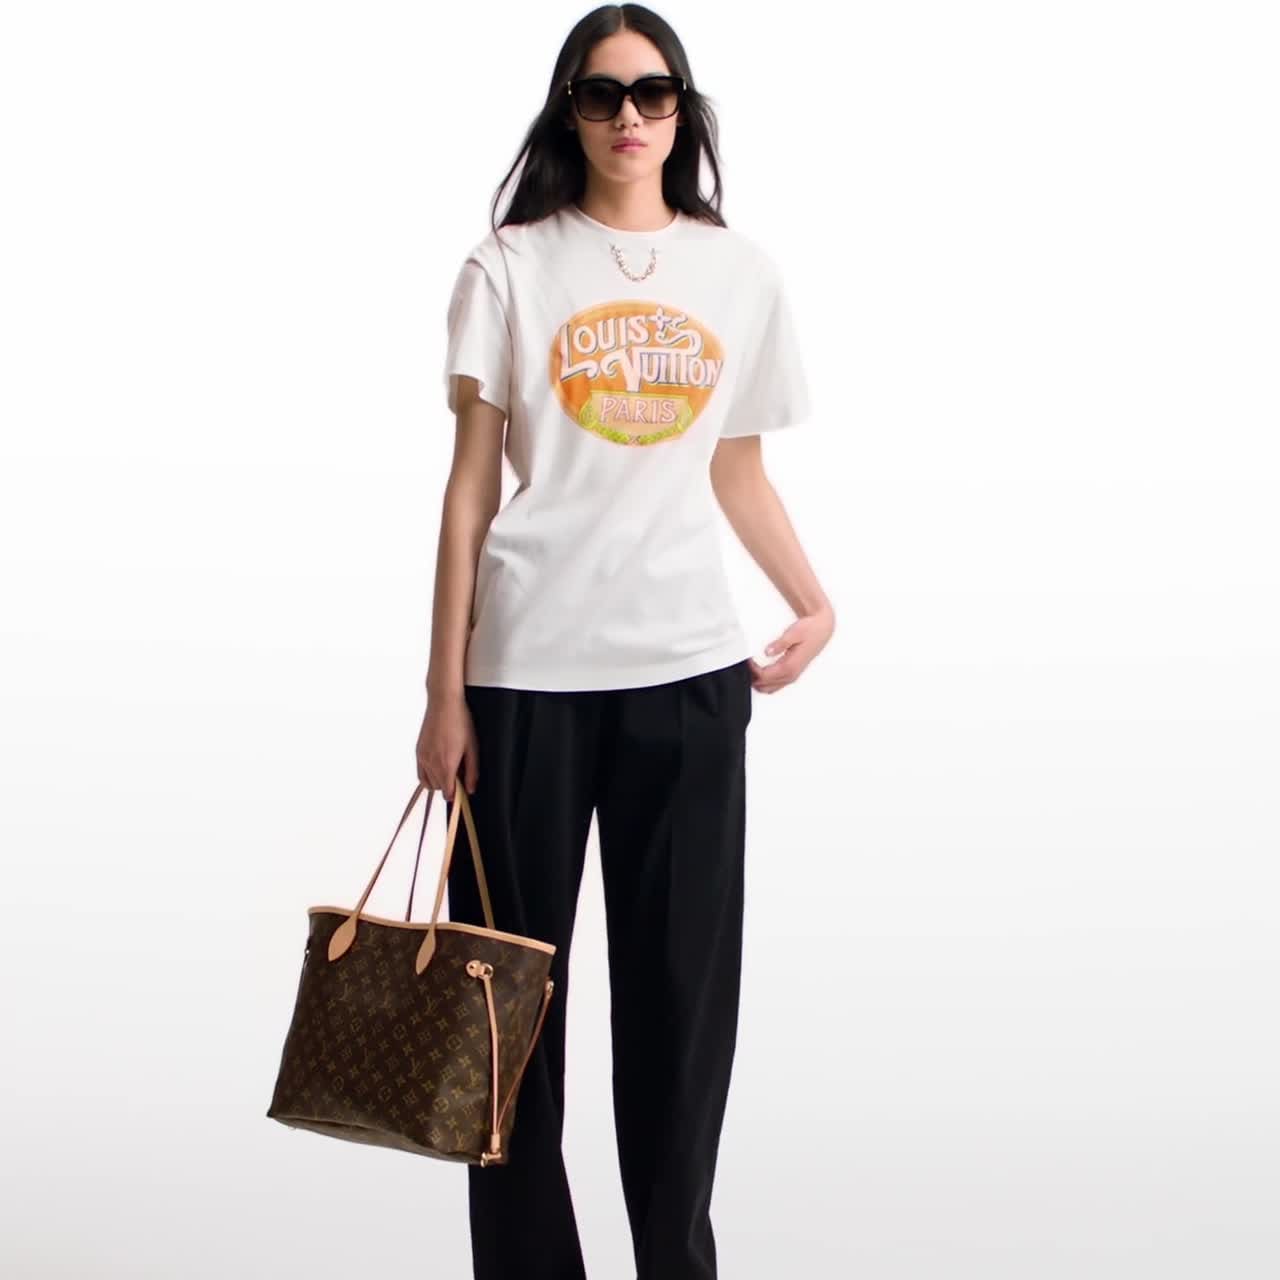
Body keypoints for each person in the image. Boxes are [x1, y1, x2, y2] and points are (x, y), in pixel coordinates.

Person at [415, 6, 835, 1278]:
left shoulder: (737, 272)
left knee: (678, 1020)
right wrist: (443, 694)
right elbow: (469, 489)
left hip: (688, 680)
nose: (629, 117)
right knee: (505, 1030)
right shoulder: (508, 266)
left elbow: (736, 469)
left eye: (652, 94)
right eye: (600, 96)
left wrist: (811, 598)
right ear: (570, 114)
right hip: (522, 682)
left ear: (682, 113)